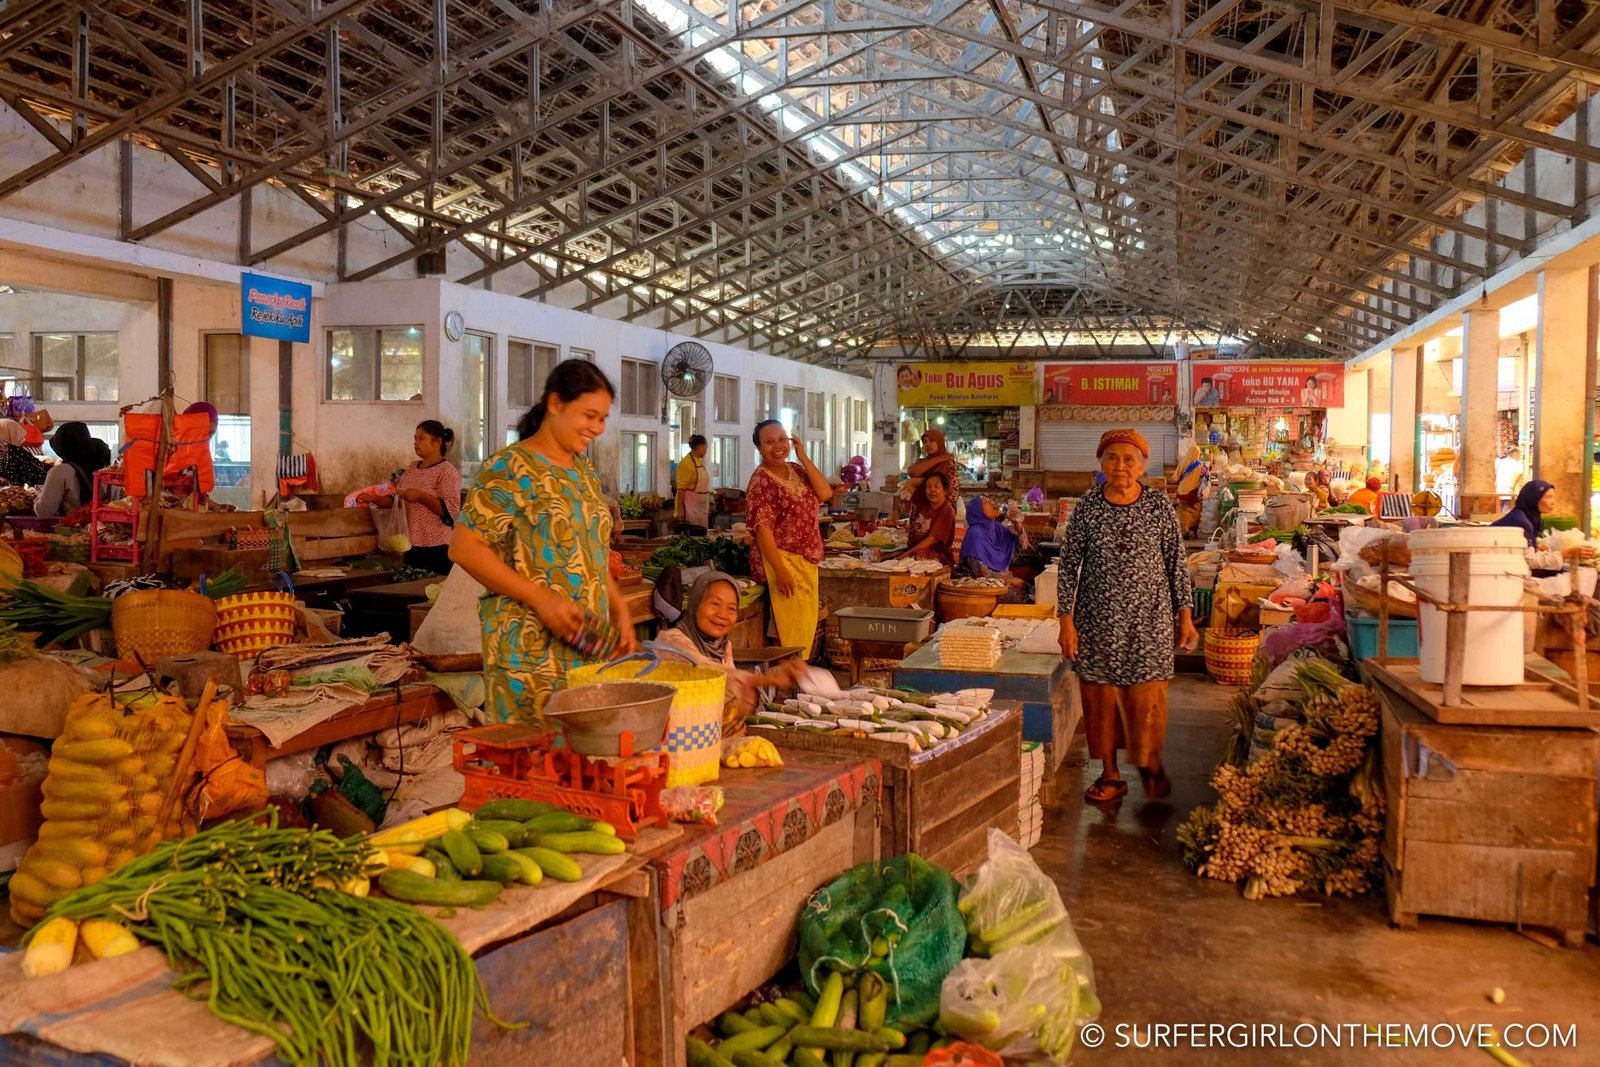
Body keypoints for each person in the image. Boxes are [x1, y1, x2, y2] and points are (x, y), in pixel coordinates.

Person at [449, 361, 637, 723]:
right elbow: (463, 547)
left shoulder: (583, 471)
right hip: (528, 650)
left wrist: (619, 609)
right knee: (533, 762)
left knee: (582, 758)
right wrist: (541, 599)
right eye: (589, 415)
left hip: (583, 644)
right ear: (555, 404)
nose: (597, 428)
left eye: (603, 419)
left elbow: (592, 554)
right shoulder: (508, 468)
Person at [1057, 429, 1198, 805]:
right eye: (1112, 458)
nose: (1121, 465)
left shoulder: (1158, 505)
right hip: (1097, 621)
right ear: (1101, 463)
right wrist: (1065, 622)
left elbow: (1176, 564)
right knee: (1101, 699)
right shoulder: (1088, 506)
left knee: (1149, 694)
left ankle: (1150, 766)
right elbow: (1069, 565)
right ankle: (1110, 774)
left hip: (1150, 620)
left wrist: (1185, 616)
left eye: (1129, 459)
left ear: (1142, 465)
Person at [655, 571, 808, 738]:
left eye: (731, 609)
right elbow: (713, 674)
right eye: (715, 604)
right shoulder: (671, 642)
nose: (722, 615)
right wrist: (767, 679)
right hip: (673, 738)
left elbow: (733, 698)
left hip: (706, 734)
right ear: (695, 603)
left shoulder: (722, 646)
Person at [746, 419, 831, 654]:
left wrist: (803, 456)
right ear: (760, 448)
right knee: (786, 633)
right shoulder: (761, 481)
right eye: (769, 442)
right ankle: (786, 680)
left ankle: (796, 677)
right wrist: (780, 570)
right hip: (781, 562)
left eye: (782, 439)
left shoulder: (795, 469)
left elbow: (824, 492)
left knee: (802, 628)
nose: (777, 446)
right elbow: (763, 530)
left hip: (805, 562)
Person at [356, 420, 462, 574]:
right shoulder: (413, 468)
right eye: (415, 439)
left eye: (421, 438)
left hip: (438, 546)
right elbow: (396, 498)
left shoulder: (447, 471)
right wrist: (374, 499)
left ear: (437, 441)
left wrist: (421, 496)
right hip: (412, 544)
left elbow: (451, 510)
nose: (416, 443)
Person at [34, 422, 108, 517]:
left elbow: (44, 511)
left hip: (71, 528)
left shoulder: (60, 472)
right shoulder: (102, 470)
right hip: (99, 528)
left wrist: (39, 494)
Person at [956, 495, 1025, 592]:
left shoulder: (996, 528)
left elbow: (1022, 546)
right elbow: (979, 570)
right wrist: (1008, 580)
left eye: (990, 500)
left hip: (1000, 584)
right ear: (978, 511)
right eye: (985, 502)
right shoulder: (975, 533)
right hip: (978, 588)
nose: (992, 503)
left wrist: (1016, 522)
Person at [906, 472, 956, 565]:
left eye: (936, 486)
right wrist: (927, 480)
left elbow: (931, 540)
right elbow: (910, 483)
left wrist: (903, 557)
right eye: (928, 487)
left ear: (945, 491)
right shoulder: (924, 503)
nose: (932, 490)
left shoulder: (946, 510)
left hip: (936, 560)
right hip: (915, 554)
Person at [674, 434, 712, 533]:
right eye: (704, 449)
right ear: (699, 448)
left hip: (701, 507)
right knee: (694, 533)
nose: (705, 452)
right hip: (691, 508)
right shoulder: (685, 464)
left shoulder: (698, 462)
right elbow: (681, 489)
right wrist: (680, 511)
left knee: (702, 533)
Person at [1174, 443, 1210, 539]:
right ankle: (1193, 531)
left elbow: (1175, 477)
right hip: (1192, 493)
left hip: (1181, 492)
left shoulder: (1183, 462)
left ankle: (1184, 530)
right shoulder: (1201, 466)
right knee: (1195, 511)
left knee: (1183, 512)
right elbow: (1207, 477)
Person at [0, 419, 46, 486]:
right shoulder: (13, 452)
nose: (22, 440)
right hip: (16, 494)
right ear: (9, 433)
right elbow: (38, 474)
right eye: (17, 433)